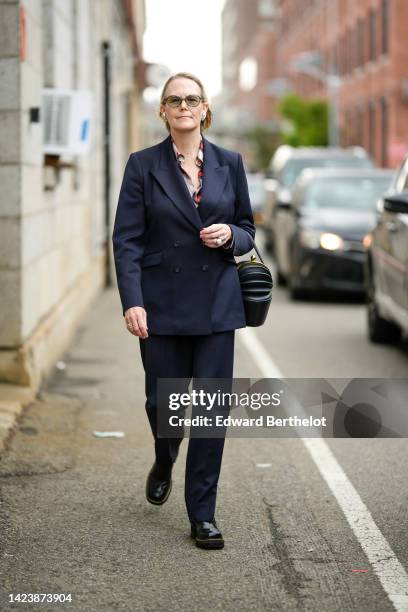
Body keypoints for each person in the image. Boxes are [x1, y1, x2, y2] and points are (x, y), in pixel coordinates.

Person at [112, 72, 255, 550]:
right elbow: (127, 240)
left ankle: (203, 515)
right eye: (174, 100)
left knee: (211, 413)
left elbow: (248, 227)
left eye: (191, 99)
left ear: (205, 108)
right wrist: (133, 300)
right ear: (163, 111)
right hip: (161, 305)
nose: (183, 106)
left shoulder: (230, 163)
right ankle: (164, 454)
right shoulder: (142, 165)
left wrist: (232, 236)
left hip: (217, 302)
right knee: (163, 406)